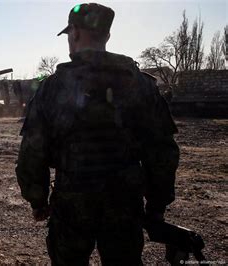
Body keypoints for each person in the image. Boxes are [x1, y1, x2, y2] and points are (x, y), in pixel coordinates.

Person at [15, 3, 179, 265]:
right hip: (125, 201)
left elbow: (33, 151)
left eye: (69, 34)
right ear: (107, 36)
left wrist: (37, 199)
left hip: (72, 202)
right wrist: (157, 206)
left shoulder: (53, 88)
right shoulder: (141, 84)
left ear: (76, 33)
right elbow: (162, 151)